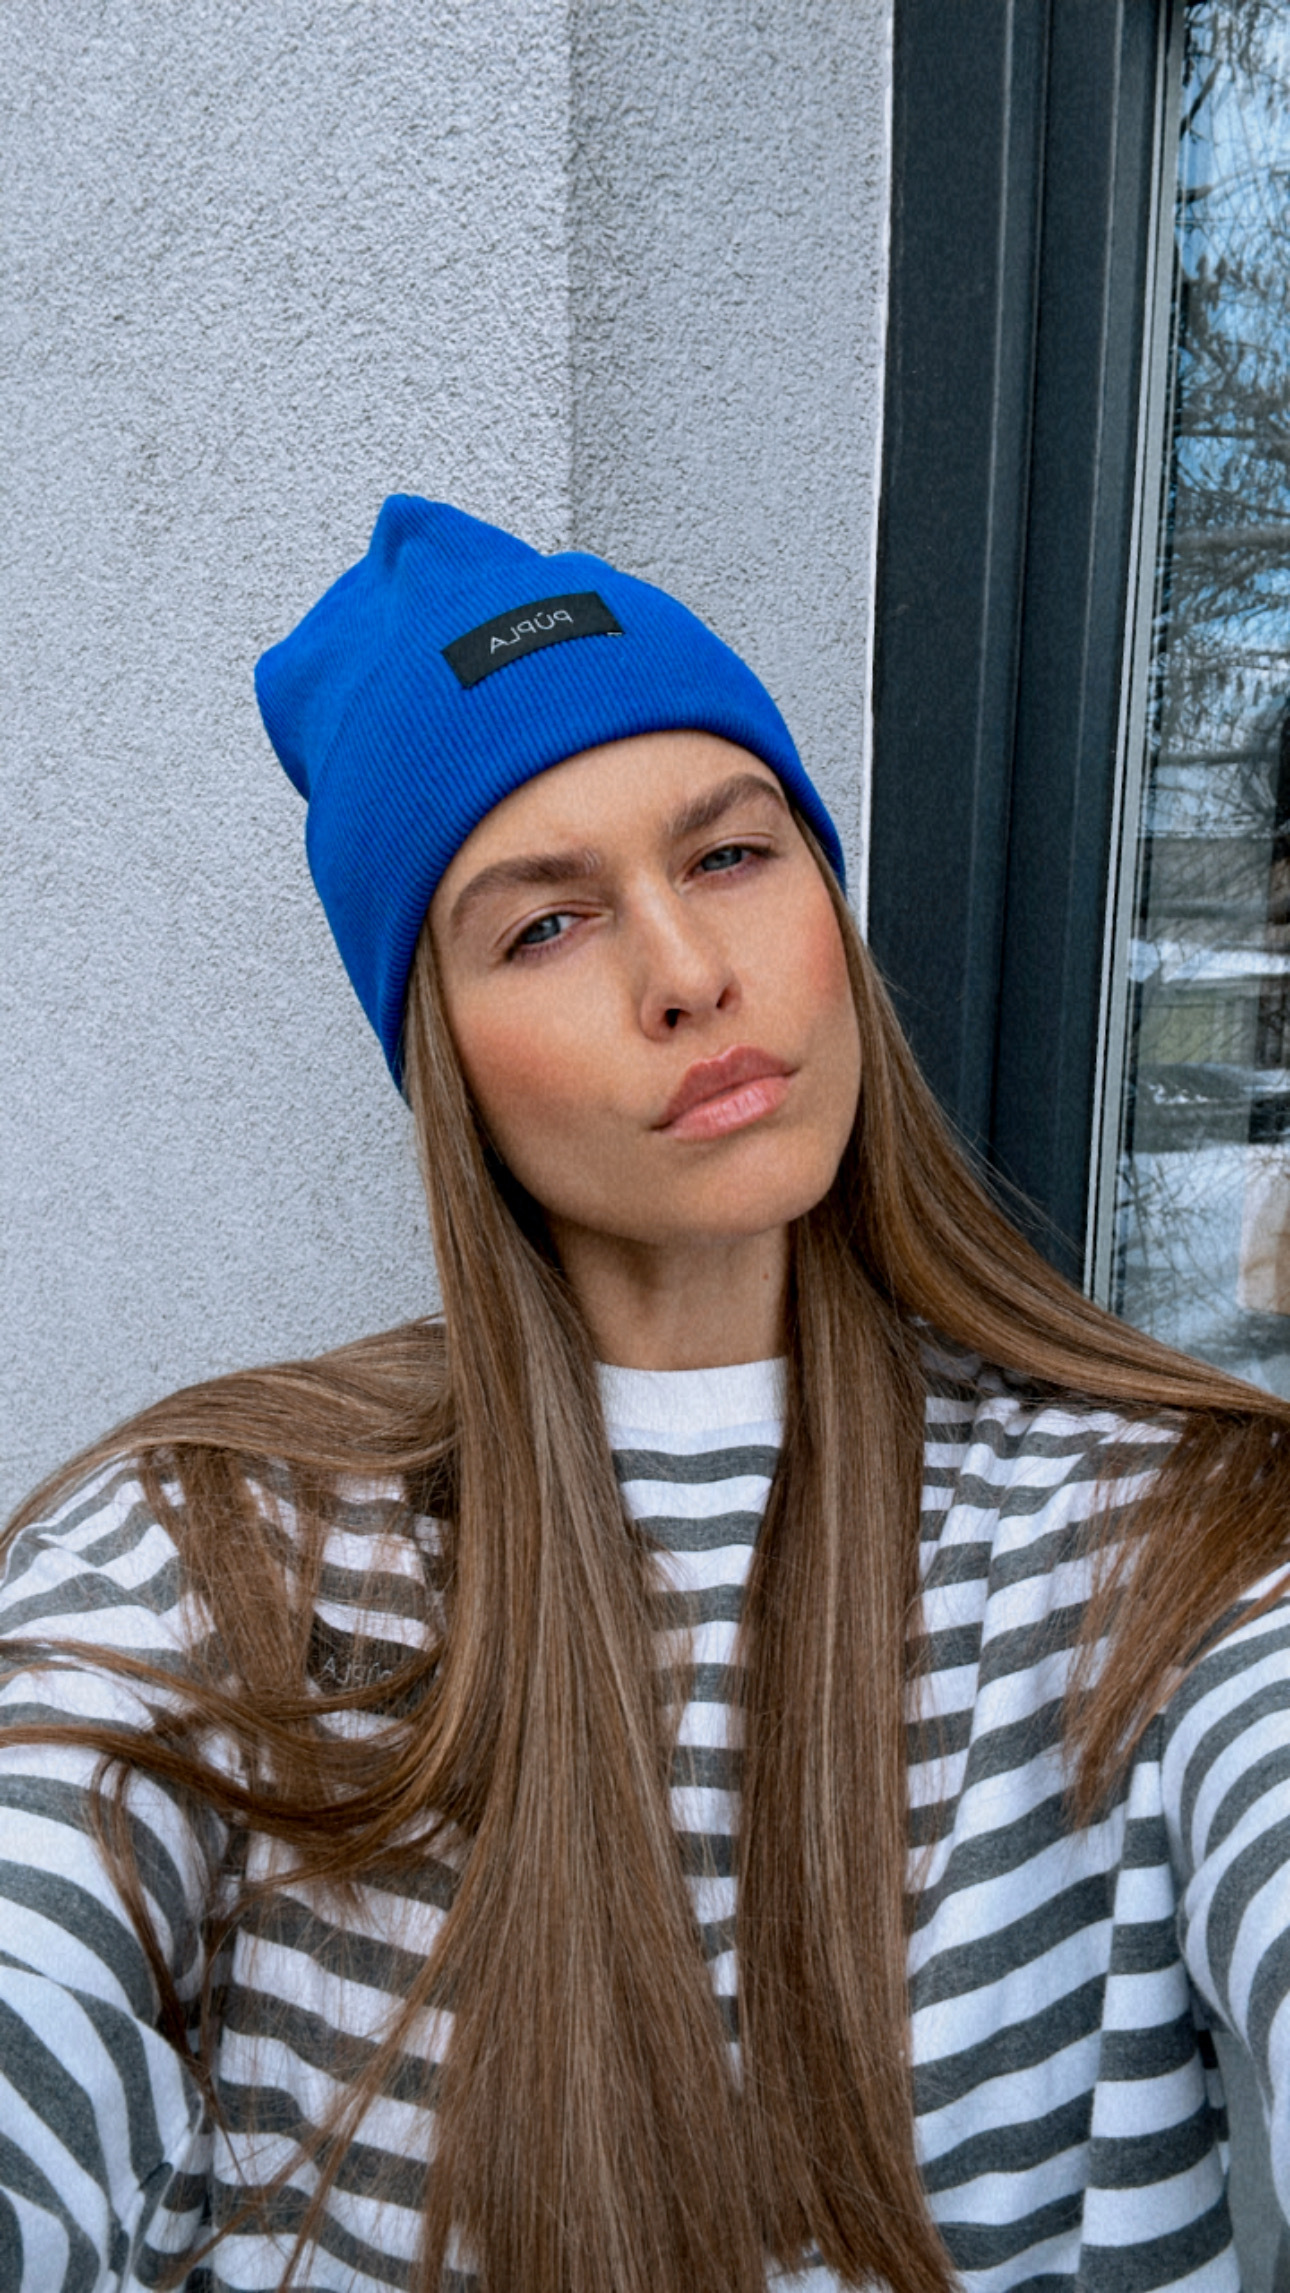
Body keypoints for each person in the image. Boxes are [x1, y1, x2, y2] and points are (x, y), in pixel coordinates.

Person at [3, 496, 1290, 2293]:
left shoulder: (1165, 1535)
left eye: (733, 854)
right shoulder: (211, 1549)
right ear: (440, 1051)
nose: (689, 976)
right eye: (544, 926)